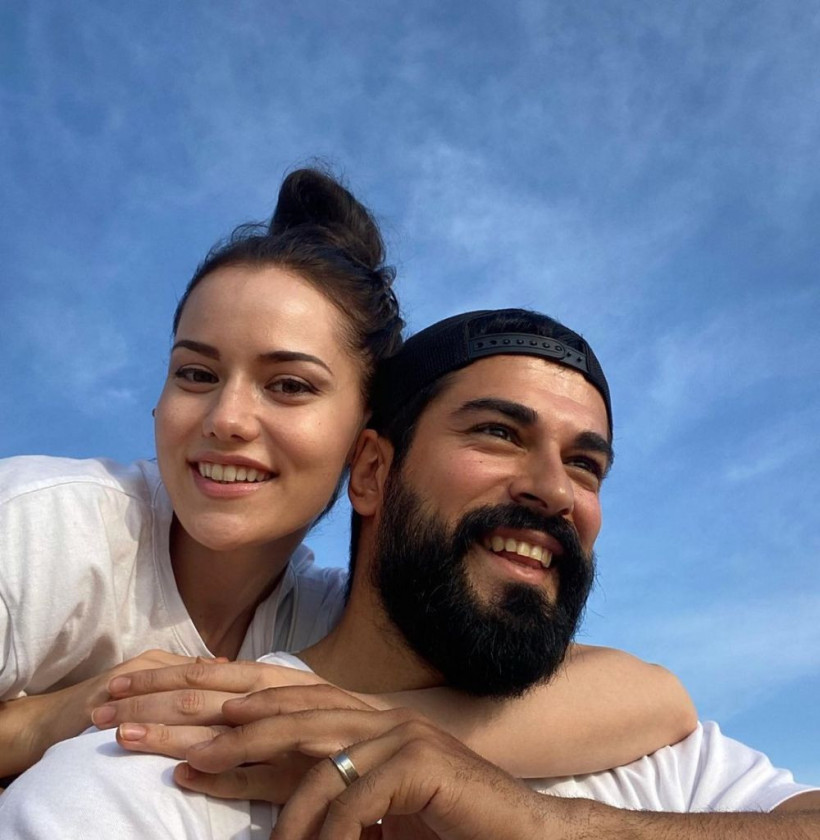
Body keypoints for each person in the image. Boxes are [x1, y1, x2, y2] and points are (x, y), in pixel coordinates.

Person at [0, 308, 816, 840]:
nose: (554, 490)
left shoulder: (665, 767)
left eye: (585, 464)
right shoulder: (173, 767)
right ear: (371, 472)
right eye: (498, 433)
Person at [0, 170, 694, 784]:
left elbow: (656, 699)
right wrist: (43, 723)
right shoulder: (43, 528)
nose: (227, 418)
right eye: (197, 374)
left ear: (366, 447)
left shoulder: (319, 616)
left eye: (289, 385)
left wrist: (349, 728)